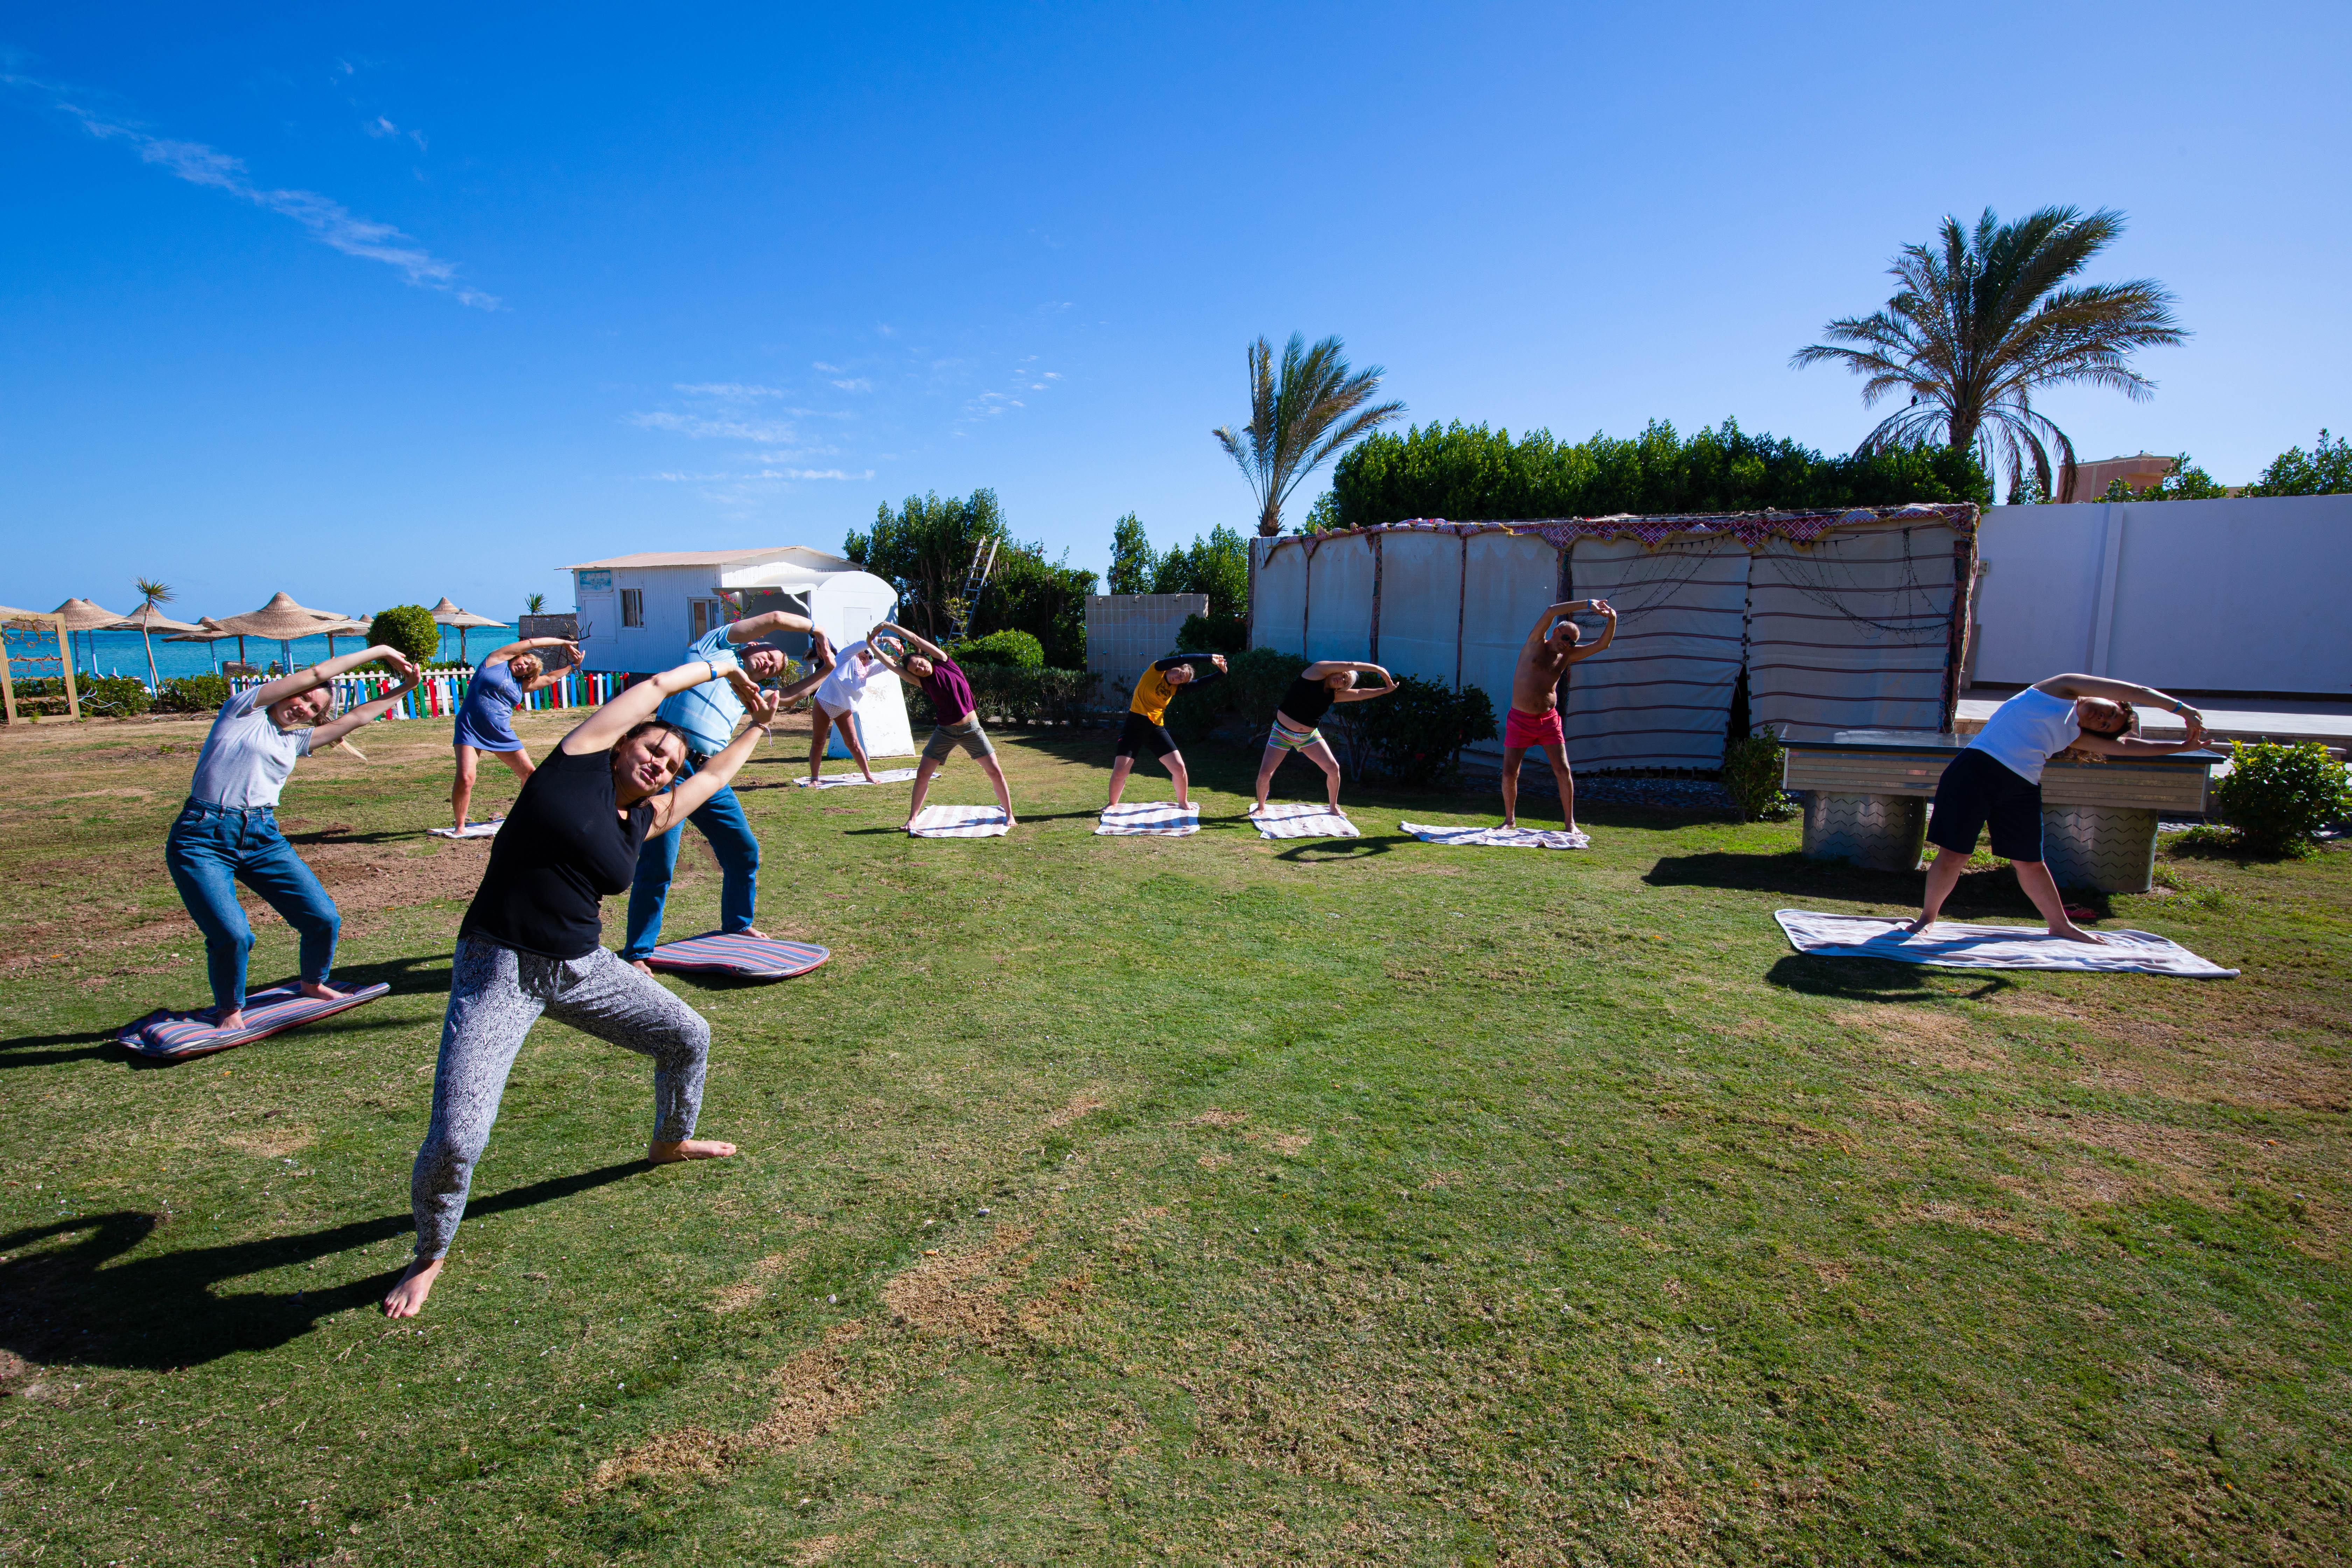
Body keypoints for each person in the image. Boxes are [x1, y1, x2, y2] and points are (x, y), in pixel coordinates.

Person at [384, 659, 784, 1318]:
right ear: (622, 743)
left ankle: (669, 1142)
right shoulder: (572, 766)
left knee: (688, 1035)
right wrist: (722, 665)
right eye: (654, 749)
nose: (661, 764)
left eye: (669, 763)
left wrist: (756, 728)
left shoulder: (642, 821)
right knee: (460, 1136)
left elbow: (711, 777)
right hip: (499, 969)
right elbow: (655, 690)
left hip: (583, 967)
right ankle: (431, 1253)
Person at [166, 646, 424, 1031]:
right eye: (303, 696)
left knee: (322, 918)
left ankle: (313, 983)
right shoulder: (243, 711)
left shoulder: (296, 741)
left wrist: (407, 687)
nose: (304, 707)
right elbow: (317, 671)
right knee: (233, 935)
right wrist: (382, 650)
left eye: (314, 707)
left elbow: (357, 717)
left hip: (261, 836)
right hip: (202, 837)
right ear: (286, 691)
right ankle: (229, 1009)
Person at [1906, 675, 2209, 942]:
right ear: (2115, 701)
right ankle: (1927, 918)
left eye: (2106, 725)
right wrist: (2181, 710)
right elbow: (2137, 690)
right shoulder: (2055, 690)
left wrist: (2181, 748)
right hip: (1975, 771)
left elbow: (2127, 747)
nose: (2103, 717)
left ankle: (2060, 925)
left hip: (2022, 786)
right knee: (1955, 854)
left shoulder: (2074, 733)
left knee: (2030, 862)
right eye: (2111, 711)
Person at [619, 610, 835, 973]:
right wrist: (818, 629)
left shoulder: (747, 691)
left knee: (743, 850)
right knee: (659, 864)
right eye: (771, 655)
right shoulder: (713, 650)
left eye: (775, 669)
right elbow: (776, 617)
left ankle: (737, 925)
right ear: (753, 643)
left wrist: (825, 670)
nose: (771, 665)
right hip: (669, 770)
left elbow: (786, 698)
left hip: (709, 775)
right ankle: (638, 951)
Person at [869, 622, 1016, 828]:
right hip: (945, 732)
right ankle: (912, 819)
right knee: (923, 774)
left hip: (971, 730)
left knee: (995, 771)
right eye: (916, 671)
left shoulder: (944, 661)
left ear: (924, 658)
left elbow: (916, 639)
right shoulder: (923, 682)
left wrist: (888, 625)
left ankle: (1010, 815)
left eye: (920, 664)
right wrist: (872, 645)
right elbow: (893, 667)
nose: (920, 669)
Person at [1502, 599, 1616, 831]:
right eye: (1566, 638)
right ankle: (1509, 820)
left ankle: (1570, 823)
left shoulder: (1568, 656)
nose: (1568, 644)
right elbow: (1551, 610)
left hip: (1548, 721)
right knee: (1510, 771)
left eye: (1572, 642)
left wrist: (1613, 619)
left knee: (1563, 770)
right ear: (1555, 632)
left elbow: (1602, 645)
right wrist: (1588, 604)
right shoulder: (1534, 644)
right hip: (1520, 719)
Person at [449, 636, 582, 832]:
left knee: (530, 775)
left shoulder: (520, 684)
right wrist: (563, 643)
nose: (524, 667)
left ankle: (525, 815)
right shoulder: (495, 662)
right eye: (525, 662)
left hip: (500, 733)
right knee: (466, 777)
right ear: (517, 657)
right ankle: (460, 825)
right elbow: (530, 643)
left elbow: (550, 678)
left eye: (529, 669)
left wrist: (573, 665)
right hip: (470, 729)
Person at [1248, 660, 1396, 816]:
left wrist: (1386, 690)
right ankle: (1261, 807)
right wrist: (1378, 669)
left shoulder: (1334, 695)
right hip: (1282, 734)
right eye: (1343, 675)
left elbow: (1360, 694)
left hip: (1309, 737)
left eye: (1345, 682)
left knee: (1334, 769)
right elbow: (1350, 665)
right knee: (1265, 774)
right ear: (1336, 671)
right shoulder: (1315, 672)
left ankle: (1333, 806)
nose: (1342, 680)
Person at [1108, 653, 1228, 809]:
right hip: (1134, 726)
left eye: (1181, 680)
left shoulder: (1173, 689)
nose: (1178, 679)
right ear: (1173, 668)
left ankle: (1183, 802)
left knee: (1179, 768)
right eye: (1179, 674)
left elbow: (1198, 684)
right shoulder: (1156, 670)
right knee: (1120, 772)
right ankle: (1112, 804)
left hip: (1155, 729)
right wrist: (1209, 658)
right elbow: (1181, 658)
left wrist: (1221, 673)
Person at [807, 635, 891, 785]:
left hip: (843, 707)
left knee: (853, 743)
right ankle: (814, 779)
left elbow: (886, 665)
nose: (865, 657)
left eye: (868, 657)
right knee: (818, 742)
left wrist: (898, 654)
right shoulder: (844, 658)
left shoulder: (866, 671)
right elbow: (862, 643)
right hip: (824, 702)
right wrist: (884, 639)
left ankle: (868, 775)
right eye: (864, 654)